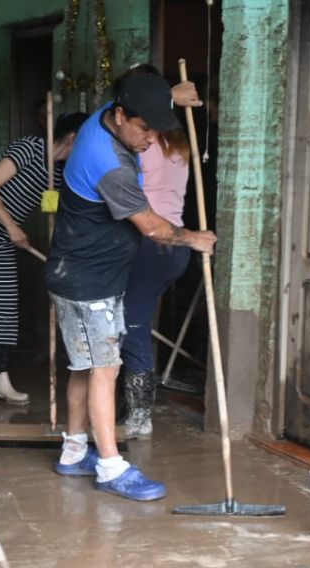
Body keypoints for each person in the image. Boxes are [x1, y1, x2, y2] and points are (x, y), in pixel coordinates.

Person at [46, 70, 216, 501]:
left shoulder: (103, 117)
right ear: (121, 116)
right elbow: (154, 228)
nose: (148, 139)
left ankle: (72, 451)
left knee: (84, 366)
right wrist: (194, 237)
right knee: (106, 369)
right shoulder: (109, 165)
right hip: (90, 280)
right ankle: (110, 465)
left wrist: (169, 97)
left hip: (78, 272)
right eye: (144, 129)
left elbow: (133, 101)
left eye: (155, 128)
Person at [0, 111, 88, 404]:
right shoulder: (30, 148)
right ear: (73, 138)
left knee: (3, 311)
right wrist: (12, 226)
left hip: (0, 243)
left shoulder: (61, 174)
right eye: (86, 141)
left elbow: (49, 208)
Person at [119, 65, 192, 439]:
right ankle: (129, 407)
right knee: (135, 322)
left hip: (150, 243)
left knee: (133, 327)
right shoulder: (180, 141)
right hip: (175, 248)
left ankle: (139, 416)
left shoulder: (139, 145)